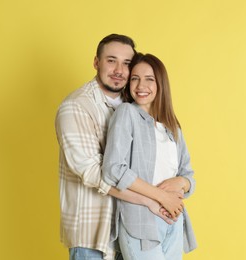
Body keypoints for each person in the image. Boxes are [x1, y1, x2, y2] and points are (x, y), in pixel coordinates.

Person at [55, 34, 179, 260]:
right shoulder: (76, 106)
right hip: (94, 235)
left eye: (127, 63)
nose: (119, 70)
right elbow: (93, 173)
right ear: (96, 63)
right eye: (111, 60)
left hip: (131, 227)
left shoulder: (134, 105)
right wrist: (153, 199)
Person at [102, 53, 197, 260]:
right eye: (135, 78)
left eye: (149, 79)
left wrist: (181, 181)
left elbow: (189, 177)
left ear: (161, 84)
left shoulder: (172, 127)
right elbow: (113, 169)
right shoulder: (127, 113)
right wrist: (161, 196)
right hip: (140, 220)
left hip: (173, 221)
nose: (140, 85)